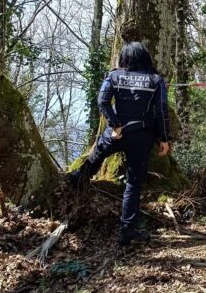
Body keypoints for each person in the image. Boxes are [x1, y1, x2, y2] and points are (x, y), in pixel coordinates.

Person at [68, 41, 172, 246]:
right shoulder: (155, 79)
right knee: (133, 185)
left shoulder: (114, 75)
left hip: (116, 132)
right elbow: (161, 110)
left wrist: (115, 125)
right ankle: (127, 230)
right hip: (142, 135)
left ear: (125, 58)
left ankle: (78, 179)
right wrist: (165, 139)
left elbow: (102, 101)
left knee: (97, 155)